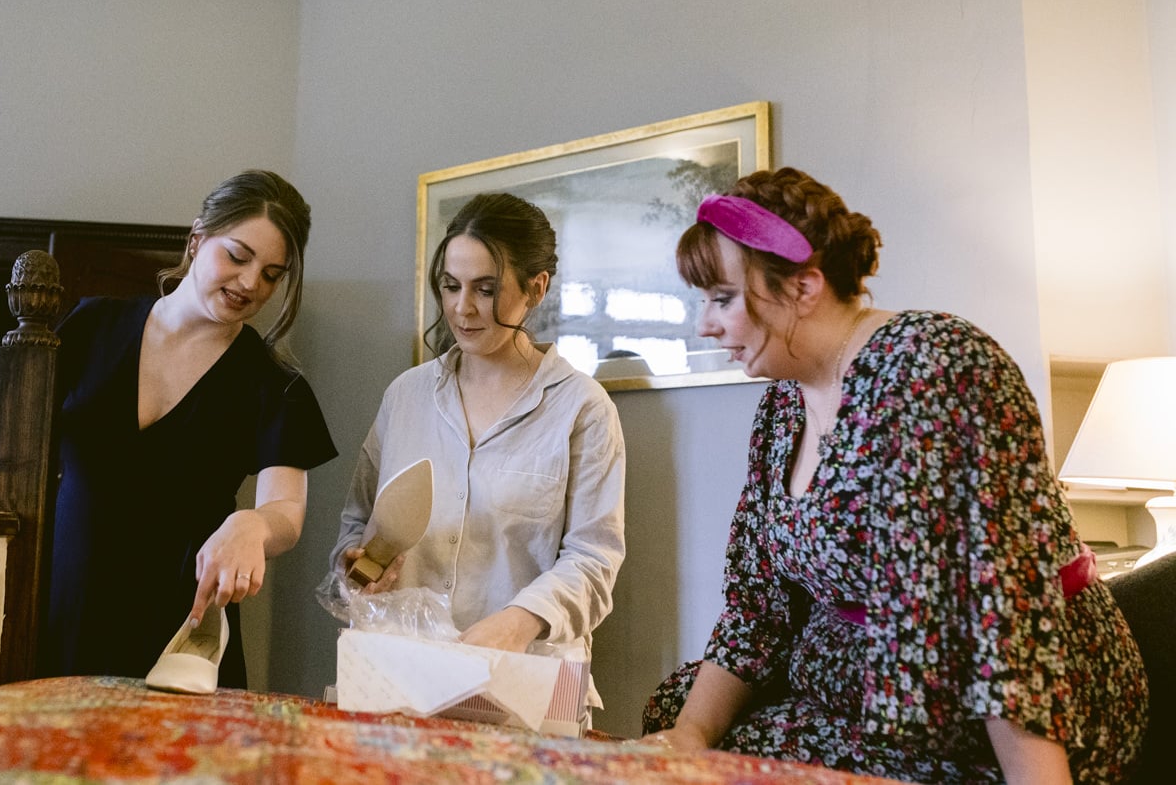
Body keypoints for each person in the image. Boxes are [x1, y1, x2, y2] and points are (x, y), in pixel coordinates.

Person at [641, 167, 1147, 782]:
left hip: (983, 703)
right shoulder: (782, 406)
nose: (705, 324)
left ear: (804, 286)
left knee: (740, 761)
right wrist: (690, 734)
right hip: (864, 685)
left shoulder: (937, 367)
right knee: (675, 711)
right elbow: (757, 600)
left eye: (721, 298)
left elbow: (1001, 606)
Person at [0, 171, 337, 688]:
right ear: (198, 237)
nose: (252, 284)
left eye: (273, 273)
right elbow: (28, 456)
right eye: (238, 255)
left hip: (180, 637)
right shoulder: (92, 326)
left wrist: (251, 525)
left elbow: (286, 514)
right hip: (61, 613)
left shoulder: (276, 385)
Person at [330, 192, 626, 675]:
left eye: (485, 290)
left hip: (521, 685)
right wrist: (358, 567)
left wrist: (519, 621)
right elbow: (356, 523)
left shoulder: (582, 409)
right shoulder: (405, 397)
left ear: (536, 288)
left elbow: (593, 562)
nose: (462, 308)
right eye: (450, 286)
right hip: (398, 674)